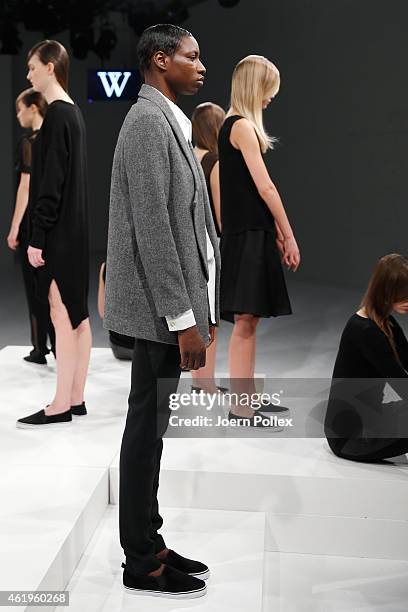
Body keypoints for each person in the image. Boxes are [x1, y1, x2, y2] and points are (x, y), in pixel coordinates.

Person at [104, 24, 220, 598]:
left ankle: (149, 538)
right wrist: (183, 319)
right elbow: (154, 230)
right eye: (191, 57)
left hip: (167, 309)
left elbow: (190, 224)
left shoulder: (166, 117)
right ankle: (140, 561)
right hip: (157, 312)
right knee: (145, 432)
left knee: (152, 431)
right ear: (159, 60)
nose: (202, 66)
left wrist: (205, 306)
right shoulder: (148, 122)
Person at [218, 55, 300, 425]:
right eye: (269, 92)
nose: (270, 99)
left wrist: (277, 233)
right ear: (256, 87)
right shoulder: (241, 128)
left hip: (250, 235)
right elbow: (265, 187)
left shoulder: (232, 126)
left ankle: (246, 400)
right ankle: (241, 407)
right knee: (246, 322)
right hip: (249, 237)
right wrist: (288, 233)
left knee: (248, 322)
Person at [16, 40, 91, 428]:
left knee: (61, 315)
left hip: (58, 234)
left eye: (32, 67)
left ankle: (60, 404)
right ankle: (75, 398)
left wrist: (37, 236)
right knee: (78, 318)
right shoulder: (73, 114)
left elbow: (51, 185)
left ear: (49, 67)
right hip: (76, 232)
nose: (28, 74)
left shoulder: (58, 116)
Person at [325, 254, 408, 463]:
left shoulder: (383, 320)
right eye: (404, 296)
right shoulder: (365, 330)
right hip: (351, 438)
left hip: (372, 417)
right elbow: (401, 384)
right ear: (386, 292)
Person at [7, 88, 55, 364]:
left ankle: (40, 348)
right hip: (50, 223)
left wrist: (14, 229)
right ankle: (58, 347)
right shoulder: (52, 141)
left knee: (34, 288)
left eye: (20, 109)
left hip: (30, 225)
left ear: (33, 108)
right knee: (51, 290)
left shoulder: (29, 143)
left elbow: (24, 189)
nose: (18, 115)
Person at [191, 101, 225, 394]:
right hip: (208, 246)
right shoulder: (213, 161)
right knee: (211, 315)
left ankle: (197, 380)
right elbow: (220, 213)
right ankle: (205, 382)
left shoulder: (187, 156)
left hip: (186, 244)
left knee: (195, 313)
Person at [97, 261, 134, 360]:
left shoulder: (107, 265)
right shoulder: (153, 261)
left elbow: (102, 313)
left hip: (120, 347)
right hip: (148, 349)